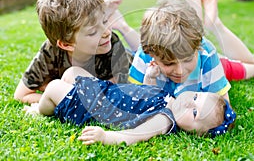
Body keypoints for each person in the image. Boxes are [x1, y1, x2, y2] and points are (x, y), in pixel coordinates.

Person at [24, 66, 236, 145]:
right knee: (72, 72)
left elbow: (135, 135)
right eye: (197, 97)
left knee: (52, 88)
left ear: (195, 133)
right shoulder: (170, 99)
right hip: (104, 92)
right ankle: (60, 95)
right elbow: (145, 94)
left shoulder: (164, 119)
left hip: (92, 108)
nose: (191, 102)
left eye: (195, 112)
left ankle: (41, 111)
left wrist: (105, 137)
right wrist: (150, 78)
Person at [14, 0, 140, 104]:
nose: (107, 32)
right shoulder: (50, 52)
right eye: (92, 32)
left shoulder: (111, 43)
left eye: (105, 20)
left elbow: (119, 96)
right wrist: (56, 95)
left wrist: (58, 90)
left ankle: (122, 26)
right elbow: (21, 95)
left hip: (134, 61)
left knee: (147, 53)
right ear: (66, 44)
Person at [129, 0, 254, 100]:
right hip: (190, 49)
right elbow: (135, 100)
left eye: (187, 60)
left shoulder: (207, 54)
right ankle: (196, 18)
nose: (179, 71)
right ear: (151, 54)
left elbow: (224, 108)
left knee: (253, 68)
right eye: (169, 64)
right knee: (189, 39)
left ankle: (214, 23)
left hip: (206, 67)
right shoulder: (145, 55)